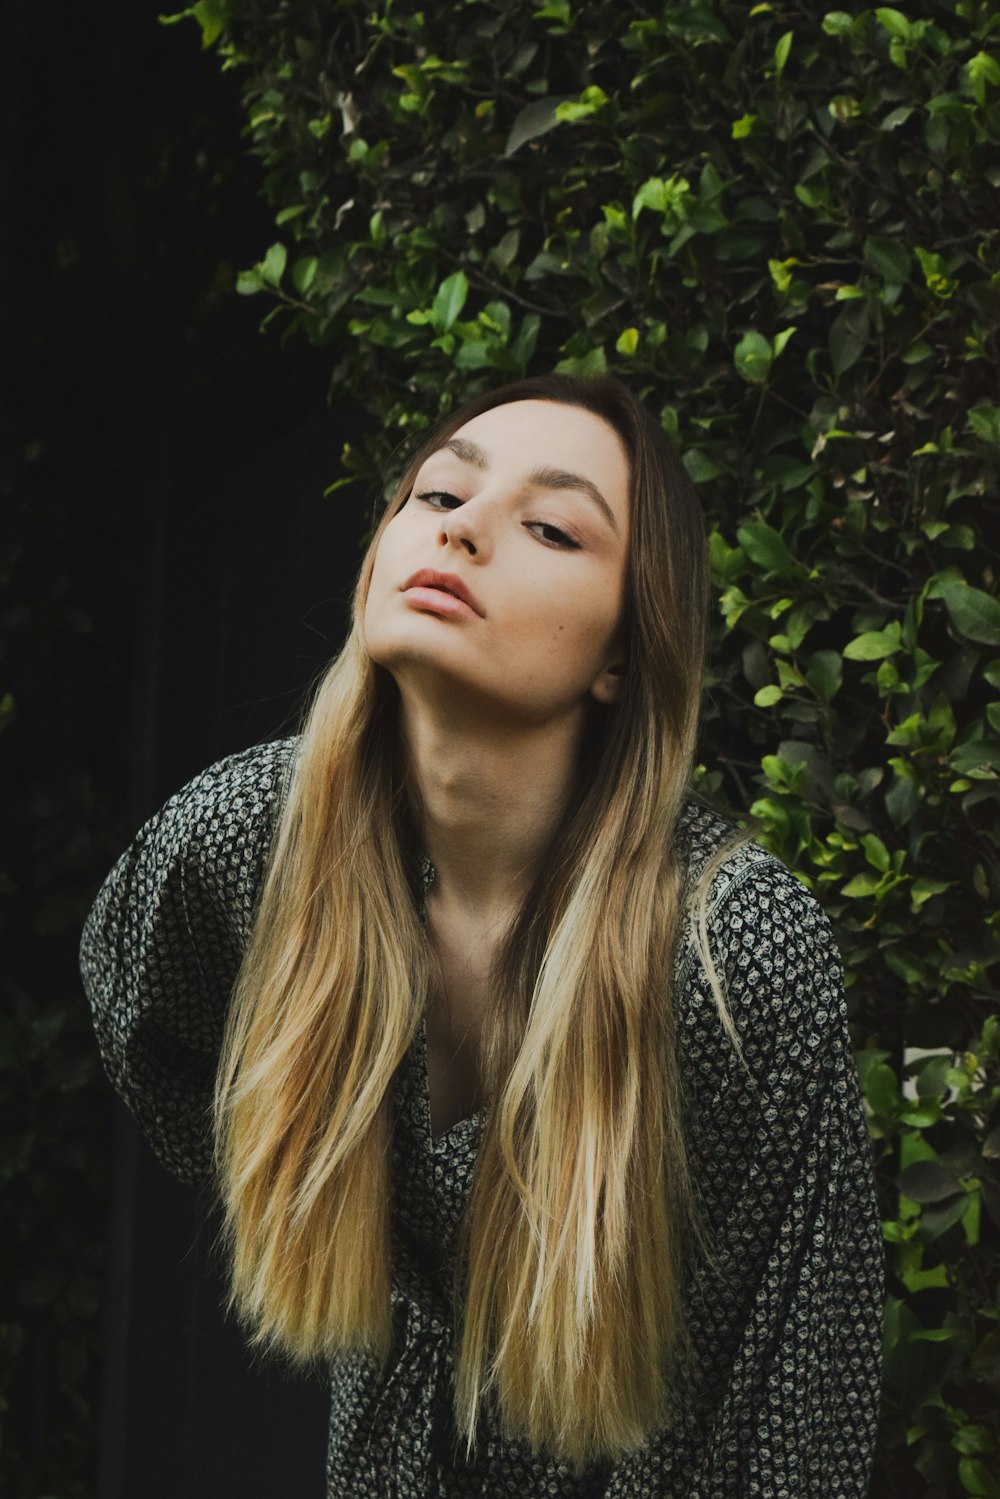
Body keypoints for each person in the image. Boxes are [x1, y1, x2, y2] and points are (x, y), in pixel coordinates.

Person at [79, 372, 885, 1497]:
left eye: (550, 525)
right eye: (435, 492)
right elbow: (140, 1011)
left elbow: (800, 1392)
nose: (459, 526)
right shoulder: (243, 836)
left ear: (621, 652)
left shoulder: (726, 949)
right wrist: (341, 1196)